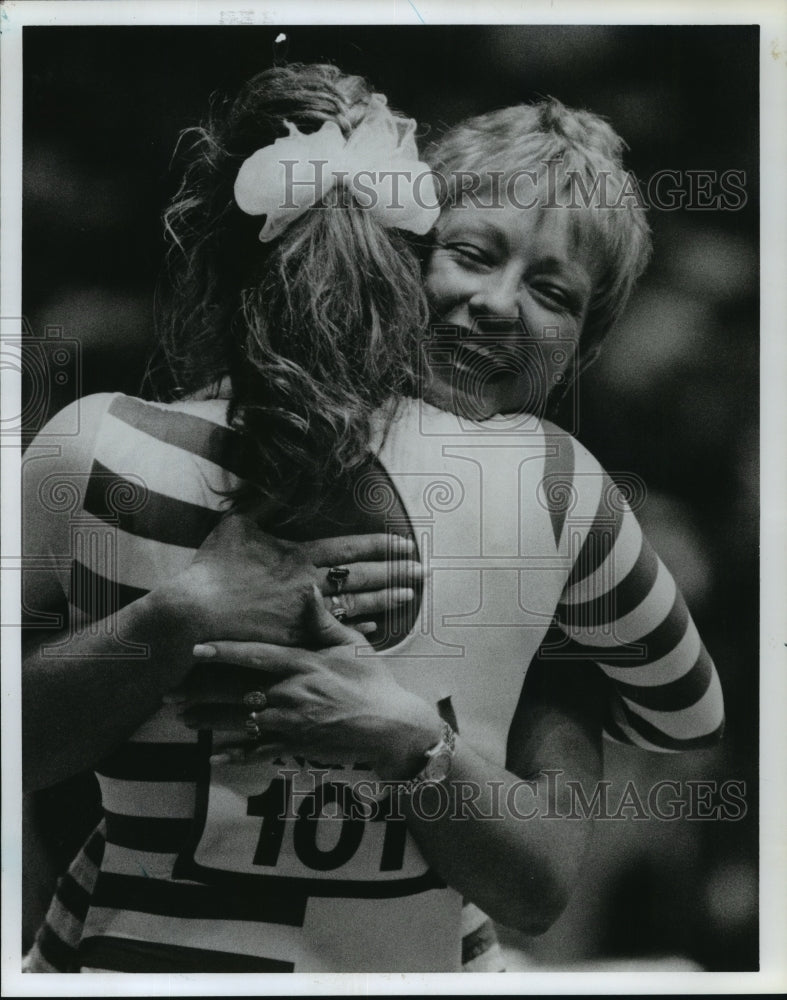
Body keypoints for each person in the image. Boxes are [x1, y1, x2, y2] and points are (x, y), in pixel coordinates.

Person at [22, 63, 724, 974]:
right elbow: (679, 721)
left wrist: (518, 663)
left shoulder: (557, 503)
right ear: (395, 247)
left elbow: (575, 844)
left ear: (581, 349)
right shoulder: (119, 454)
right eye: (472, 253)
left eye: (553, 293)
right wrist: (183, 613)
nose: (498, 303)